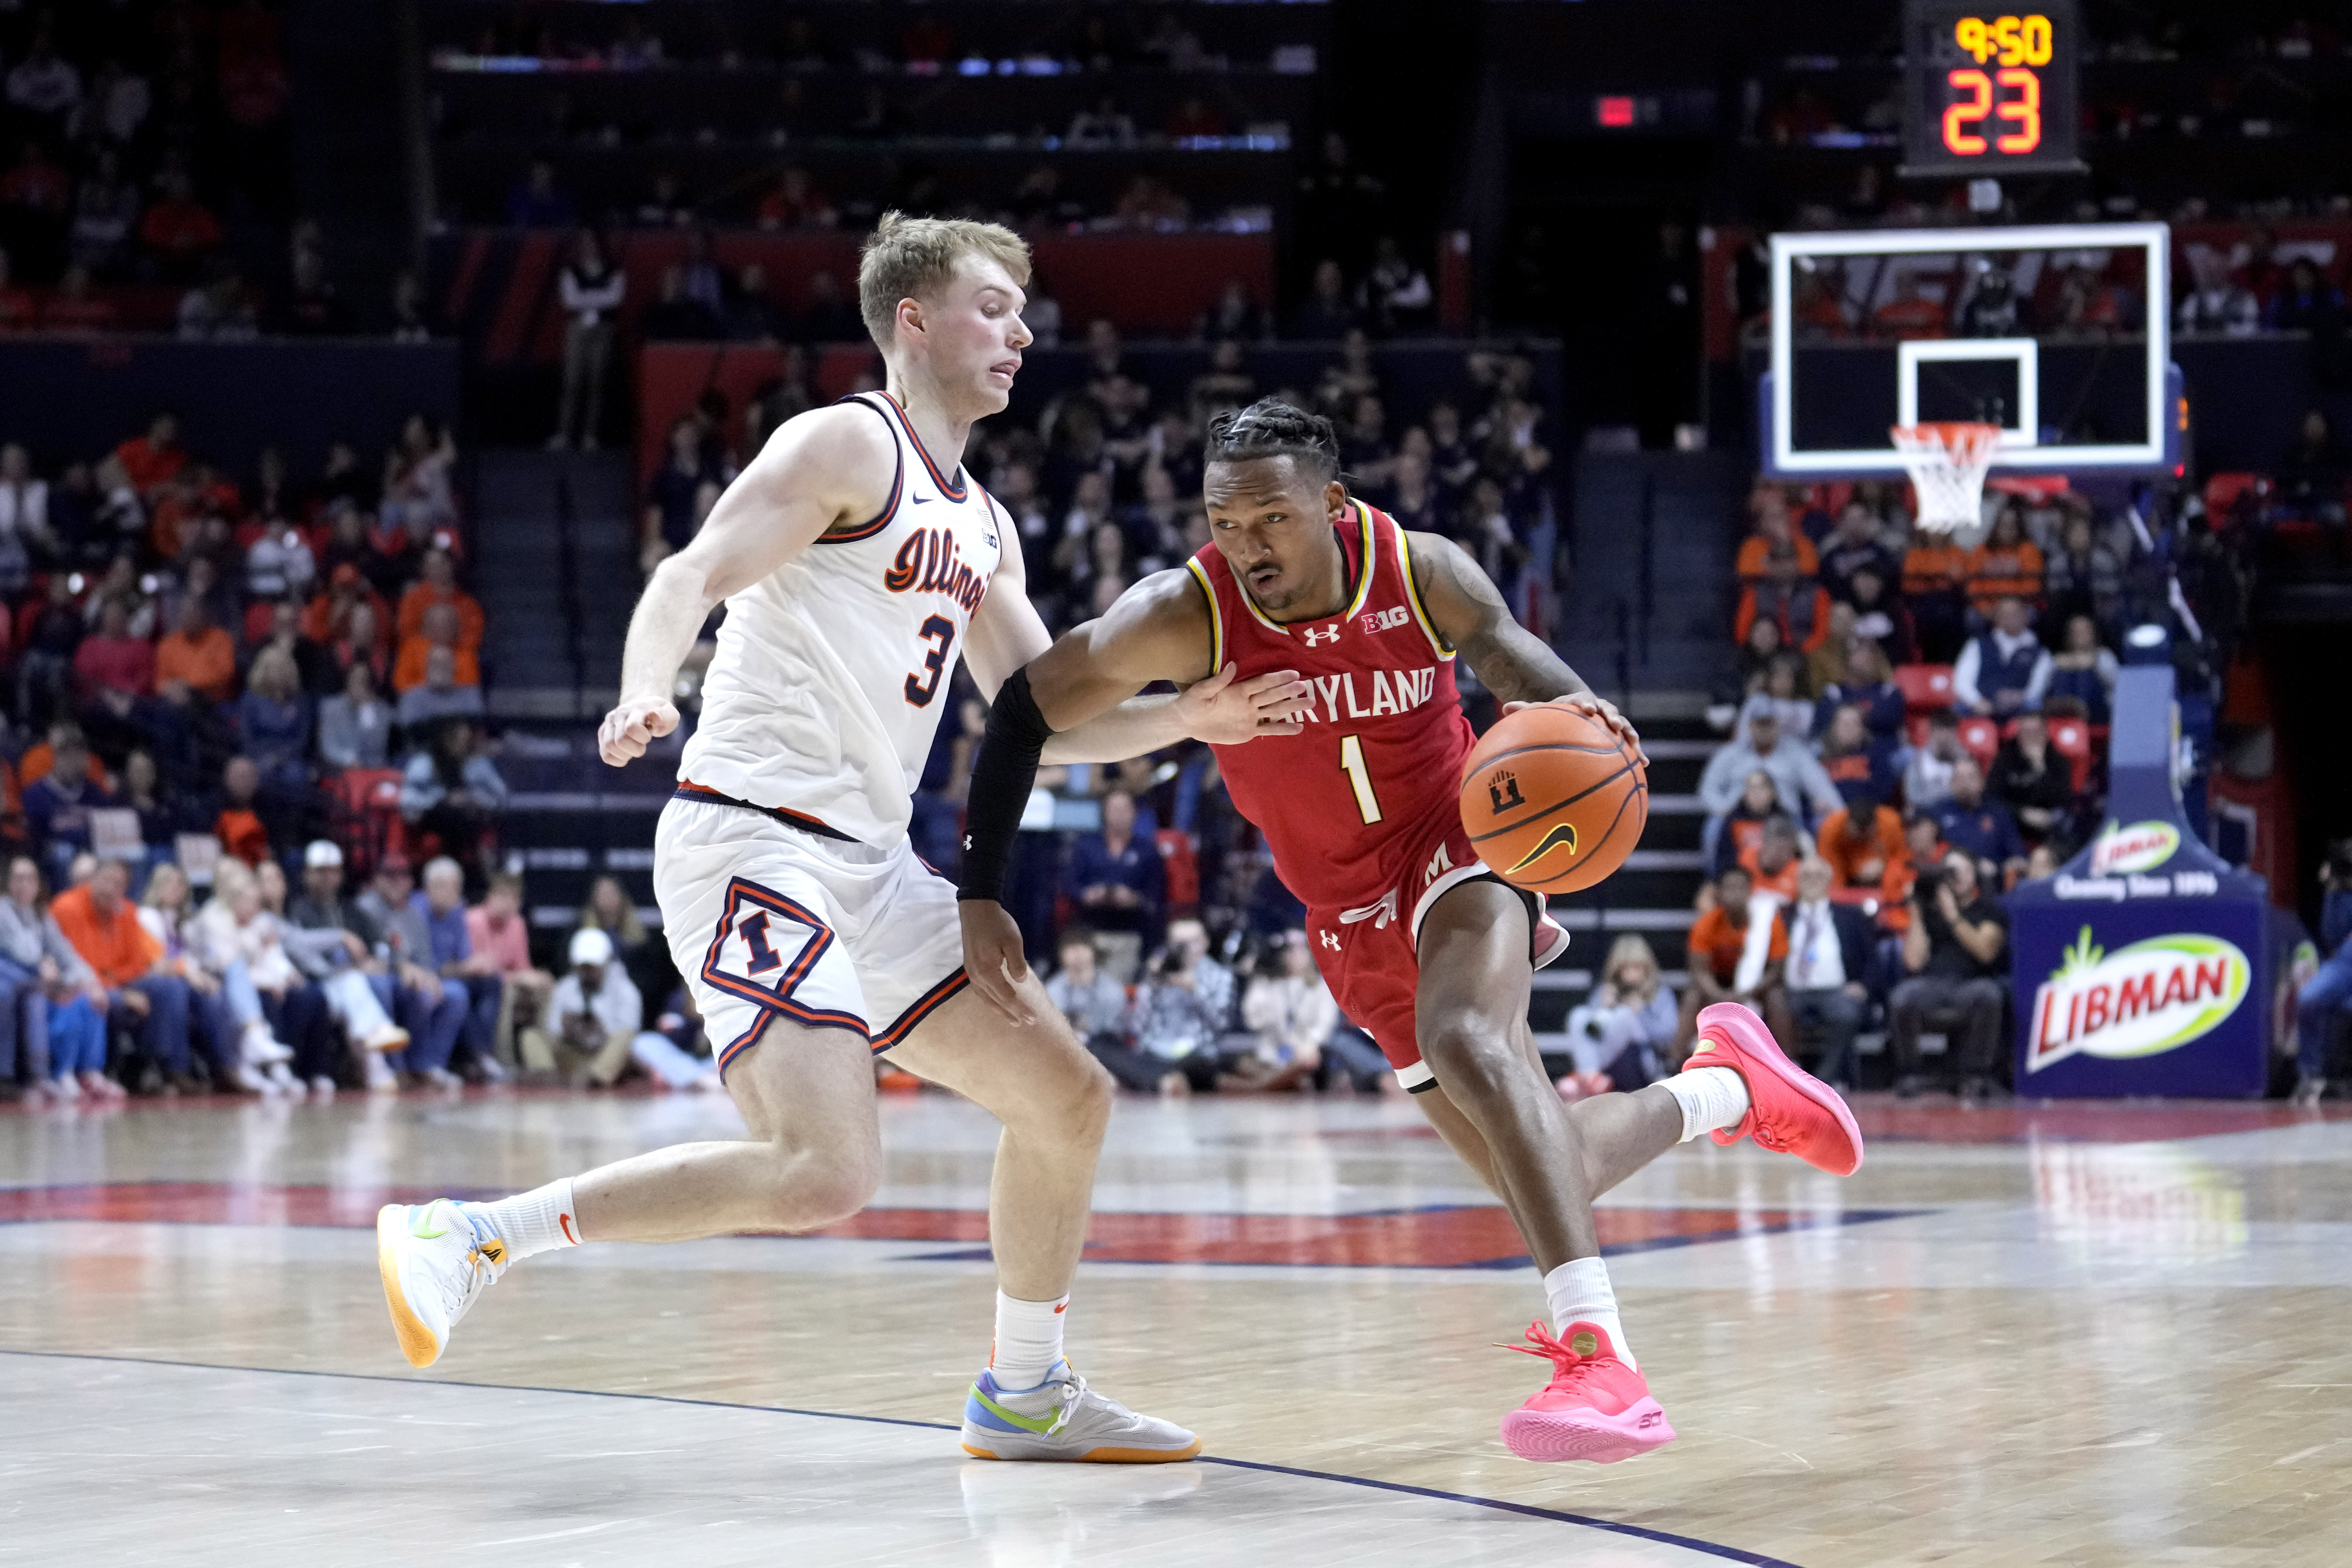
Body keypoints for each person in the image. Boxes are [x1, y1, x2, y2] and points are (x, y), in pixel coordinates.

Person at [377, 214, 1304, 1464]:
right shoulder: (843, 442)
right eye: (993, 306)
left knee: (1069, 1096)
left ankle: (1024, 1391)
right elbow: (687, 575)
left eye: (1023, 310)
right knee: (823, 1168)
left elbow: (1036, 714)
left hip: (871, 863)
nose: (1022, 331)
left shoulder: (981, 521)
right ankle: (475, 1234)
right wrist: (647, 687)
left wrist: (1190, 714)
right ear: (912, 320)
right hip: (755, 838)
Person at [953, 397, 1863, 1465]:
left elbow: (1511, 656)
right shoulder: (1182, 613)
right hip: (1344, 913)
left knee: (1469, 1040)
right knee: (1544, 1164)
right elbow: (1024, 711)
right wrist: (983, 890)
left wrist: (1588, 718)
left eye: (1272, 519)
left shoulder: (1420, 569)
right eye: (1226, 522)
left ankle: (1600, 1357)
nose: (1247, 545)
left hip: (1460, 841)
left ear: (1333, 505)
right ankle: (1730, 1083)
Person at [49, 855, 202, 1094]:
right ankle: (103, 1071)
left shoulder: (128, 911)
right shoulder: (67, 907)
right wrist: (117, 989)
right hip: (81, 986)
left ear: (125, 889)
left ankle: (158, 1067)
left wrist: (116, 983)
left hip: (118, 984)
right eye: (106, 880)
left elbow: (138, 964)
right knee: (112, 999)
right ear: (93, 880)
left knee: (169, 987)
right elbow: (75, 965)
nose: (111, 889)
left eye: (118, 884)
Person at [1890, 849, 2010, 1103]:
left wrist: (1953, 915)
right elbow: (1913, 962)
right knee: (1903, 997)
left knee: (1989, 994)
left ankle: (1976, 1075)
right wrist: (1917, 912)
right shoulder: (1929, 911)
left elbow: (1985, 952)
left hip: (1971, 982)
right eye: (1951, 872)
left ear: (1975, 875)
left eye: (1964, 870)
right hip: (1933, 983)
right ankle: (1912, 1073)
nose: (1958, 877)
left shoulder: (1988, 910)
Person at [0, 855, 110, 1101]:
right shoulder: (3, 911)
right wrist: (44, 965)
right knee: (39, 999)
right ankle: (42, 1077)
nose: (24, 885)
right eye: (18, 879)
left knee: (89, 997)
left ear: (38, 886)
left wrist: (90, 982)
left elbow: (67, 955)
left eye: (30, 879)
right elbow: (24, 952)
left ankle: (88, 1073)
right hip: (13, 980)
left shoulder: (41, 915)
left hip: (38, 981)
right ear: (8, 883)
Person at [1680, 865, 1795, 1057]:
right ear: (1719, 894)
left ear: (1751, 892)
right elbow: (1699, 971)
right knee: (1692, 996)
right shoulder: (1705, 924)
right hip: (1719, 983)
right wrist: (1720, 994)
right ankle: (1675, 1061)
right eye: (1729, 888)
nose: (1735, 894)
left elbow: (1776, 970)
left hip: (1759, 985)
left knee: (1777, 998)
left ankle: (1789, 1061)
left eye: (1741, 888)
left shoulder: (1768, 922)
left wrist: (1747, 992)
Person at [1780, 859, 1876, 1090]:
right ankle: (1786, 1077)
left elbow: (1872, 957)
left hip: (1836, 991)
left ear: (1829, 881)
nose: (1812, 881)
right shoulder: (1781, 917)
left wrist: (1864, 985)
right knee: (1778, 1010)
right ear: (1797, 880)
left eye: (1818, 876)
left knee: (1846, 1012)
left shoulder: (1850, 916)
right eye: (1806, 876)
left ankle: (1823, 1081)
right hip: (1790, 991)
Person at [1564, 935, 1679, 1093]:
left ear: (1647, 968)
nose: (1631, 975)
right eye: (1625, 968)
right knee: (1579, 1014)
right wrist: (1602, 1006)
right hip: (1606, 1064)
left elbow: (1667, 1035)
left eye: (1637, 968)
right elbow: (1588, 1034)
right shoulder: (1605, 991)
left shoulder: (1661, 994)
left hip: (1640, 1061)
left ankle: (1585, 1077)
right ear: (1617, 970)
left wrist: (1642, 1013)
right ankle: (1590, 1076)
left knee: (1624, 1015)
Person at [1235, 929, 1339, 1091]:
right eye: (1290, 950)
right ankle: (1273, 1082)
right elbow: (1254, 1020)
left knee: (1309, 1062)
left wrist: (1310, 1043)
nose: (1295, 955)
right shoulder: (1266, 983)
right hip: (1270, 1051)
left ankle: (1262, 1085)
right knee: (1245, 1063)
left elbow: (1325, 1024)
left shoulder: (1320, 987)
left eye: (1301, 949)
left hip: (1305, 1051)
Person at [1063, 786, 1163, 946]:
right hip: (1090, 929)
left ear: (1135, 813)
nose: (1119, 815)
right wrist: (1087, 894)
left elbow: (1157, 890)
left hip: (1131, 931)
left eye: (1125, 809)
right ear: (1105, 813)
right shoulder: (1086, 846)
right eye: (1114, 809)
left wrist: (1135, 898)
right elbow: (1069, 883)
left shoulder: (1147, 850)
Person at [2292, 839, 2352, 1107]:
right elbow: (2332, 936)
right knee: (2309, 999)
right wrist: (2334, 889)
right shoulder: (2342, 890)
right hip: (2346, 962)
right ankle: (2312, 1073)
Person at [1931, 756, 2026, 889]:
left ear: (1981, 782)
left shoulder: (1998, 813)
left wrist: (2001, 868)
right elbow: (1928, 853)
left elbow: (2018, 857)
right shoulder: (1938, 812)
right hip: (1949, 883)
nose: (1964, 784)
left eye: (1970, 778)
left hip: (1992, 885)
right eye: (1959, 778)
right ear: (1951, 784)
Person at [1986, 710, 2075, 848]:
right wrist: (2023, 814)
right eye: (2026, 733)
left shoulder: (2058, 761)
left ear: (2046, 734)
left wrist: (2040, 768)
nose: (2031, 738)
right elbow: (1993, 798)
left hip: (2049, 822)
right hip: (2015, 824)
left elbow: (2063, 799)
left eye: (2036, 733)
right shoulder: (2005, 760)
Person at [1952, 596, 2052, 716]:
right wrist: (1977, 702)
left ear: (2025, 616)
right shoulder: (1977, 645)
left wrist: (2022, 697)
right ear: (1997, 618)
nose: (2010, 619)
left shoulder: (2041, 652)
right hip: (1982, 708)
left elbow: (2038, 687)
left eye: (2014, 614)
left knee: (2037, 707)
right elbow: (1962, 682)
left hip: (2022, 711)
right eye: (2005, 615)